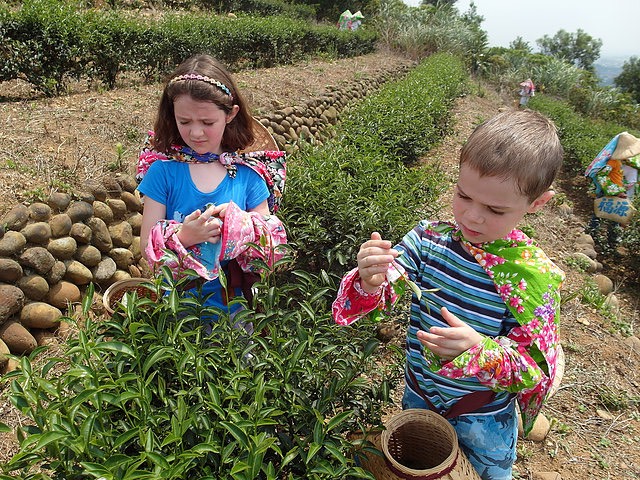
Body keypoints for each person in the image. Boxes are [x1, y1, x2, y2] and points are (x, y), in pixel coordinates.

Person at [332, 110, 565, 480]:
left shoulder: (531, 278)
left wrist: (480, 351)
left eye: (494, 209)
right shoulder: (429, 240)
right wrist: (370, 278)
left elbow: (533, 369)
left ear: (536, 203)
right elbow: (387, 285)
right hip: (421, 395)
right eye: (463, 195)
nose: (472, 217)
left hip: (482, 417)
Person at [138, 54, 287, 323]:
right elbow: (147, 248)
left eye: (207, 123)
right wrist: (184, 236)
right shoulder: (163, 173)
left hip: (235, 308)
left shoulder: (248, 176)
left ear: (230, 114)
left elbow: (272, 249)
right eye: (185, 122)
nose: (196, 133)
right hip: (177, 308)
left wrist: (238, 226)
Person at [585, 132, 640, 248]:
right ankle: (592, 235)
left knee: (614, 217)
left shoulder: (619, 162)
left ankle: (611, 241)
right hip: (608, 193)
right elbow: (602, 176)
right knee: (599, 215)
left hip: (615, 193)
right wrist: (617, 191)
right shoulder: (612, 162)